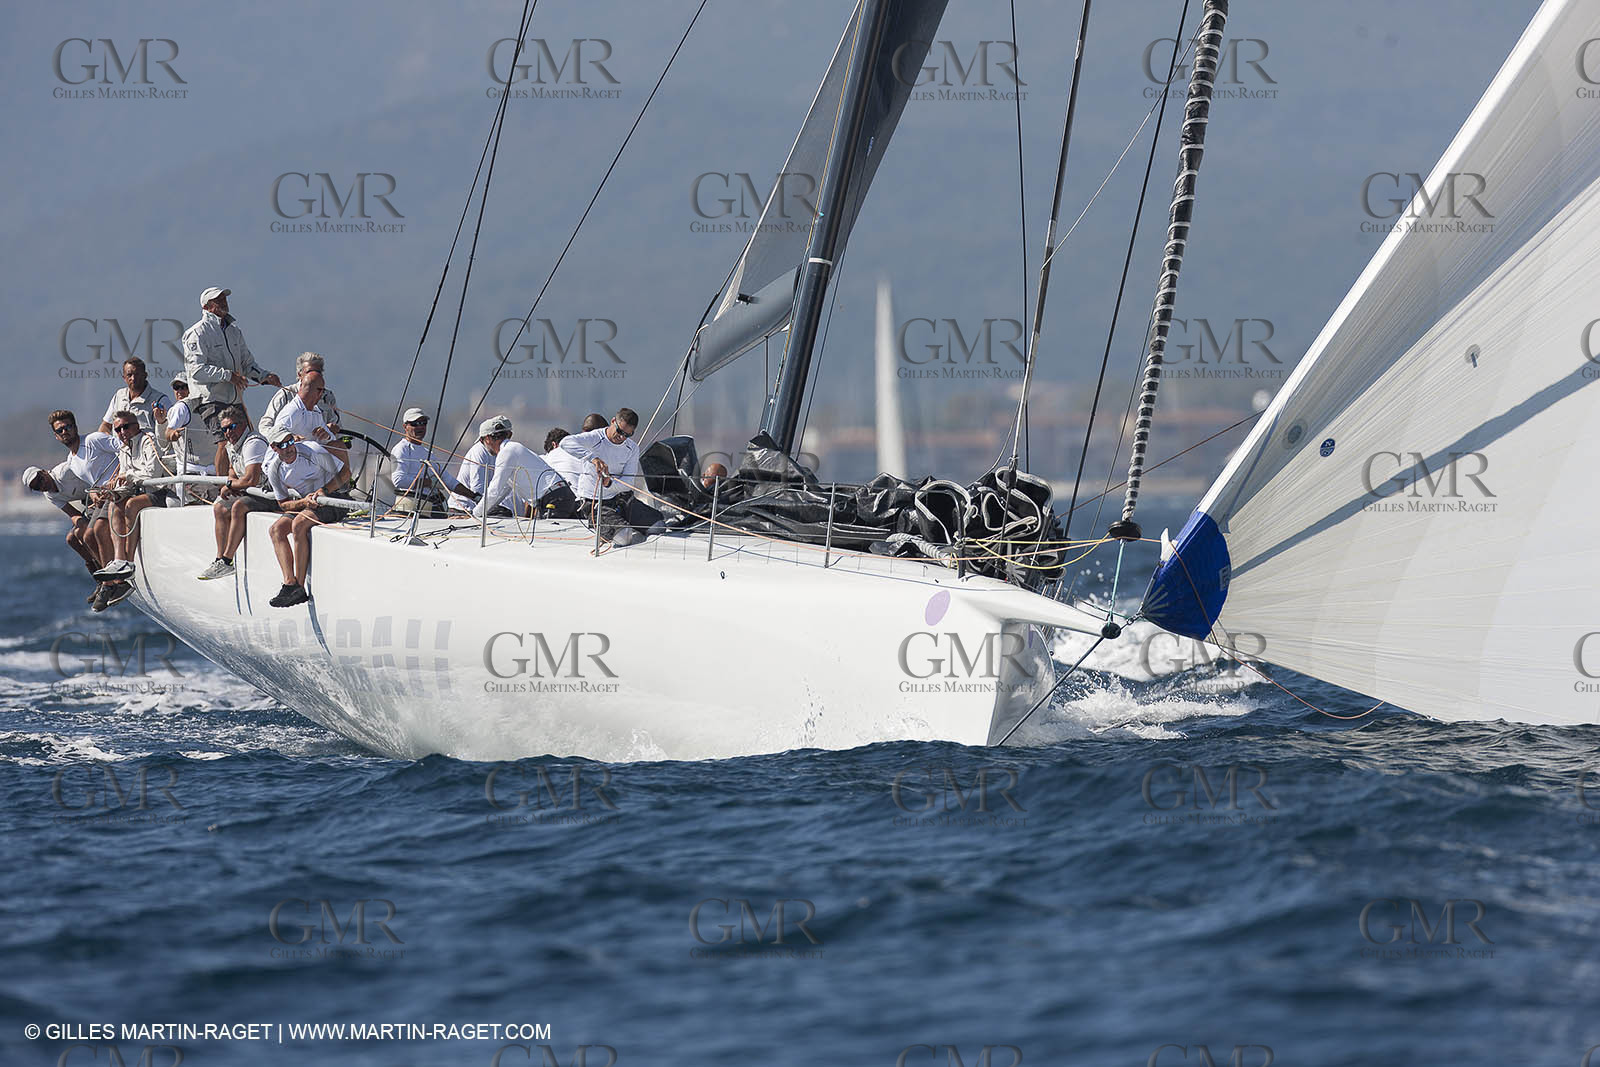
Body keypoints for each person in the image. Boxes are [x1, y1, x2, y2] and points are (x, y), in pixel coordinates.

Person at [182, 286, 280, 456]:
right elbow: (196, 370)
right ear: (206, 307)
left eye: (224, 298)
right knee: (224, 442)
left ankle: (241, 473)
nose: (223, 302)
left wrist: (265, 376)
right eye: (217, 300)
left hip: (234, 399)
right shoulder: (197, 333)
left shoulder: (234, 332)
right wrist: (228, 376)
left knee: (249, 441)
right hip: (211, 400)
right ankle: (224, 475)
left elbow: (247, 363)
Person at [263, 428, 350, 607]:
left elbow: (345, 473)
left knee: (299, 524)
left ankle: (300, 588)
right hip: (308, 502)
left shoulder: (312, 450)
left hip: (334, 498)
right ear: (274, 448)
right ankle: (289, 583)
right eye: (282, 445)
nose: (289, 448)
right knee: (276, 530)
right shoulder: (274, 469)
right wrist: (303, 502)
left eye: (290, 442)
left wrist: (324, 490)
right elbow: (283, 504)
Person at [558, 407, 663, 546]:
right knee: (624, 537)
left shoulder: (632, 448)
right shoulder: (595, 437)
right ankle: (606, 526)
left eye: (628, 435)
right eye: (620, 431)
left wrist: (609, 483)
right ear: (613, 421)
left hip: (621, 499)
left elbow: (628, 482)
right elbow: (565, 443)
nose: (622, 437)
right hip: (595, 502)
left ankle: (622, 521)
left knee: (658, 526)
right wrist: (593, 458)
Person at [92, 411, 168, 597]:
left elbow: (153, 474)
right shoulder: (123, 449)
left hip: (158, 492)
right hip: (138, 492)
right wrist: (114, 491)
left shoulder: (148, 441)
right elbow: (125, 480)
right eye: (117, 429)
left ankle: (130, 562)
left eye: (125, 427)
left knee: (130, 505)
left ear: (137, 426)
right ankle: (120, 560)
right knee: (114, 503)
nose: (122, 432)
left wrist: (127, 476)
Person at [198, 408, 275, 580]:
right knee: (219, 507)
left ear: (243, 425)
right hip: (250, 492)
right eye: (224, 429)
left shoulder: (253, 443)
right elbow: (232, 469)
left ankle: (227, 560)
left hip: (267, 493)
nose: (228, 432)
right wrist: (231, 482)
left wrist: (229, 484)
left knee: (238, 507)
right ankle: (220, 559)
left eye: (231, 427)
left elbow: (251, 479)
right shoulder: (231, 445)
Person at [22, 462, 104, 601]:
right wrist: (81, 522)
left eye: (40, 480)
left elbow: (91, 471)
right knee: (71, 539)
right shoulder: (50, 495)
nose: (41, 486)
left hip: (98, 491)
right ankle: (99, 577)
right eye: (36, 487)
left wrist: (94, 491)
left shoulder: (65, 472)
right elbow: (72, 513)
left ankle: (106, 569)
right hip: (88, 502)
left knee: (82, 533)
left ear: (44, 471)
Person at [471, 430, 576, 521]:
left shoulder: (506, 453)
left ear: (487, 438)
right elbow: (502, 491)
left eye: (482, 441)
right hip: (561, 495)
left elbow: (494, 490)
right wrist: (484, 511)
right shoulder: (514, 448)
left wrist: (474, 514)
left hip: (553, 499)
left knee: (550, 537)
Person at [389, 408, 474, 517]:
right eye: (415, 424)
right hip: (409, 511)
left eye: (423, 423)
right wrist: (428, 483)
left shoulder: (427, 453)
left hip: (429, 508)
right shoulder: (401, 449)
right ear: (405, 427)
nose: (420, 427)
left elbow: (448, 480)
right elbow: (399, 480)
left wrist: (474, 496)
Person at [257, 351, 341, 438]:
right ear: (299, 375)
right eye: (309, 372)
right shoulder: (285, 394)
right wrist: (286, 438)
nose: (314, 375)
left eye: (318, 372)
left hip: (320, 445)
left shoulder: (327, 397)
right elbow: (265, 426)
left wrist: (330, 431)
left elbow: (339, 432)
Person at [446, 415, 511, 516]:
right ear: (487, 439)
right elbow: (478, 487)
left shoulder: (504, 453)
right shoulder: (479, 451)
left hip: (481, 508)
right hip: (462, 509)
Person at [97, 357, 170, 438]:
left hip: (146, 445)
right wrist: (111, 441)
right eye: (129, 375)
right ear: (124, 378)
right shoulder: (119, 396)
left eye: (137, 374)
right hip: (119, 445)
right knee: (92, 438)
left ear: (145, 375)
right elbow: (105, 426)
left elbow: (167, 435)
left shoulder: (160, 400)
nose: (133, 378)